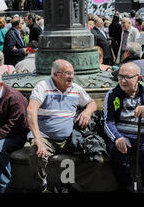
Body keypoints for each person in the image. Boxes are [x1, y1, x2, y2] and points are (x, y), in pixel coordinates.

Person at [27, 59, 100, 193]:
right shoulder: (42, 86)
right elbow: (31, 110)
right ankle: (42, 186)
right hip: (46, 137)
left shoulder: (76, 89)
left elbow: (92, 103)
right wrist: (37, 138)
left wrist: (87, 112)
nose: (72, 76)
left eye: (72, 73)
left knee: (97, 157)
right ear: (55, 75)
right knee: (36, 153)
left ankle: (70, 187)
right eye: (67, 73)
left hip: (70, 139)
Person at [104, 62, 144, 192]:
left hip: (142, 135)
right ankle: (126, 186)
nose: (122, 81)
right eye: (120, 77)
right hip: (123, 135)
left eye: (127, 77)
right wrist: (117, 138)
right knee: (117, 150)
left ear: (138, 78)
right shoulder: (112, 94)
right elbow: (108, 121)